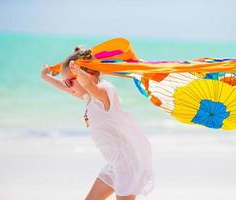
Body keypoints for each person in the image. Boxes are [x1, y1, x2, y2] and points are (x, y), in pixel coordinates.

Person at [40, 47, 154, 200]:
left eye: (69, 81)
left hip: (126, 163)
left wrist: (79, 73)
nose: (67, 86)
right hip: (114, 163)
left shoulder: (104, 93)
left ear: (89, 74)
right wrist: (45, 76)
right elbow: (70, 88)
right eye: (66, 82)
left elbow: (87, 84)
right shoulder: (89, 97)